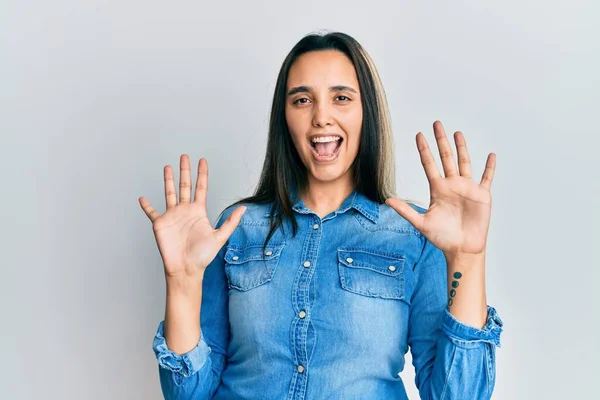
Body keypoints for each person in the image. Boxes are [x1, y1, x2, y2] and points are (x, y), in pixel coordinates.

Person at [139, 31, 504, 400]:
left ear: (367, 114)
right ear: (285, 117)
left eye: (341, 98)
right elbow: (188, 395)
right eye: (302, 100)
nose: (321, 117)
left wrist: (467, 260)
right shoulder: (237, 228)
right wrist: (182, 283)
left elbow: (458, 395)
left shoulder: (412, 235)